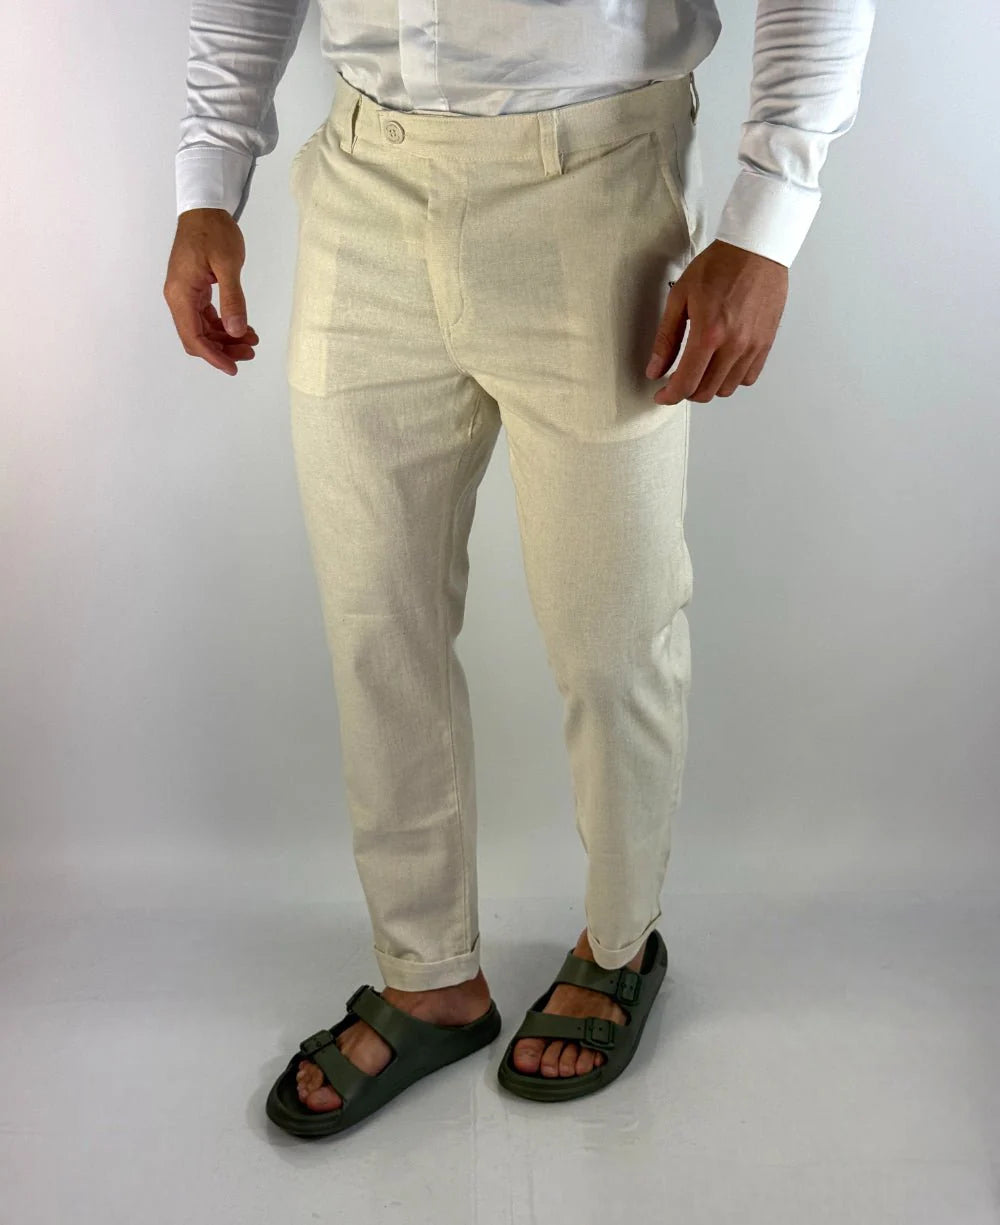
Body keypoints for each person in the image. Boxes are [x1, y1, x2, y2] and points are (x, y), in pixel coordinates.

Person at [163, 0, 876, 1135]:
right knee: (375, 624)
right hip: (363, 180)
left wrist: (767, 221)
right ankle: (427, 975)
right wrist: (209, 182)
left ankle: (620, 944)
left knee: (612, 631)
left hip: (598, 179)